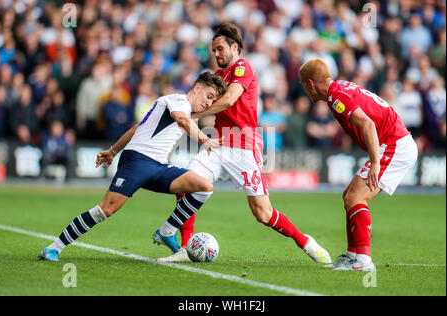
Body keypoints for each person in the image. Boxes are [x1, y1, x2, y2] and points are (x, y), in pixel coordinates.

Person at [154, 23, 331, 264]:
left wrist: (193, 115)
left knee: (263, 213)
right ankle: (185, 247)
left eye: (219, 49)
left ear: (234, 46)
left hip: (243, 147)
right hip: (218, 142)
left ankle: (305, 242)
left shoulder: (243, 68)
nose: (215, 54)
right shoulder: (217, 76)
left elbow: (228, 100)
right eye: (213, 50)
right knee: (187, 184)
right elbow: (199, 100)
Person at [38, 72, 227, 261]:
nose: (208, 104)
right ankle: (54, 247)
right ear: (197, 88)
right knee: (105, 210)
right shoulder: (178, 101)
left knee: (204, 187)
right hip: (138, 162)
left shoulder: (186, 113)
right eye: (209, 97)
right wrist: (204, 139)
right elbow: (182, 121)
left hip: (158, 167)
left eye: (213, 101)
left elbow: (138, 128)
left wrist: (112, 151)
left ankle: (166, 232)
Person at [298, 59, 418, 271]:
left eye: (304, 86)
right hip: (390, 143)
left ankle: (363, 260)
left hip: (394, 145)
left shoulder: (336, 97)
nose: (305, 91)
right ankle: (352, 255)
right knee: (349, 196)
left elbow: (367, 123)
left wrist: (375, 163)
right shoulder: (338, 89)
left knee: (356, 197)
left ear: (311, 83)